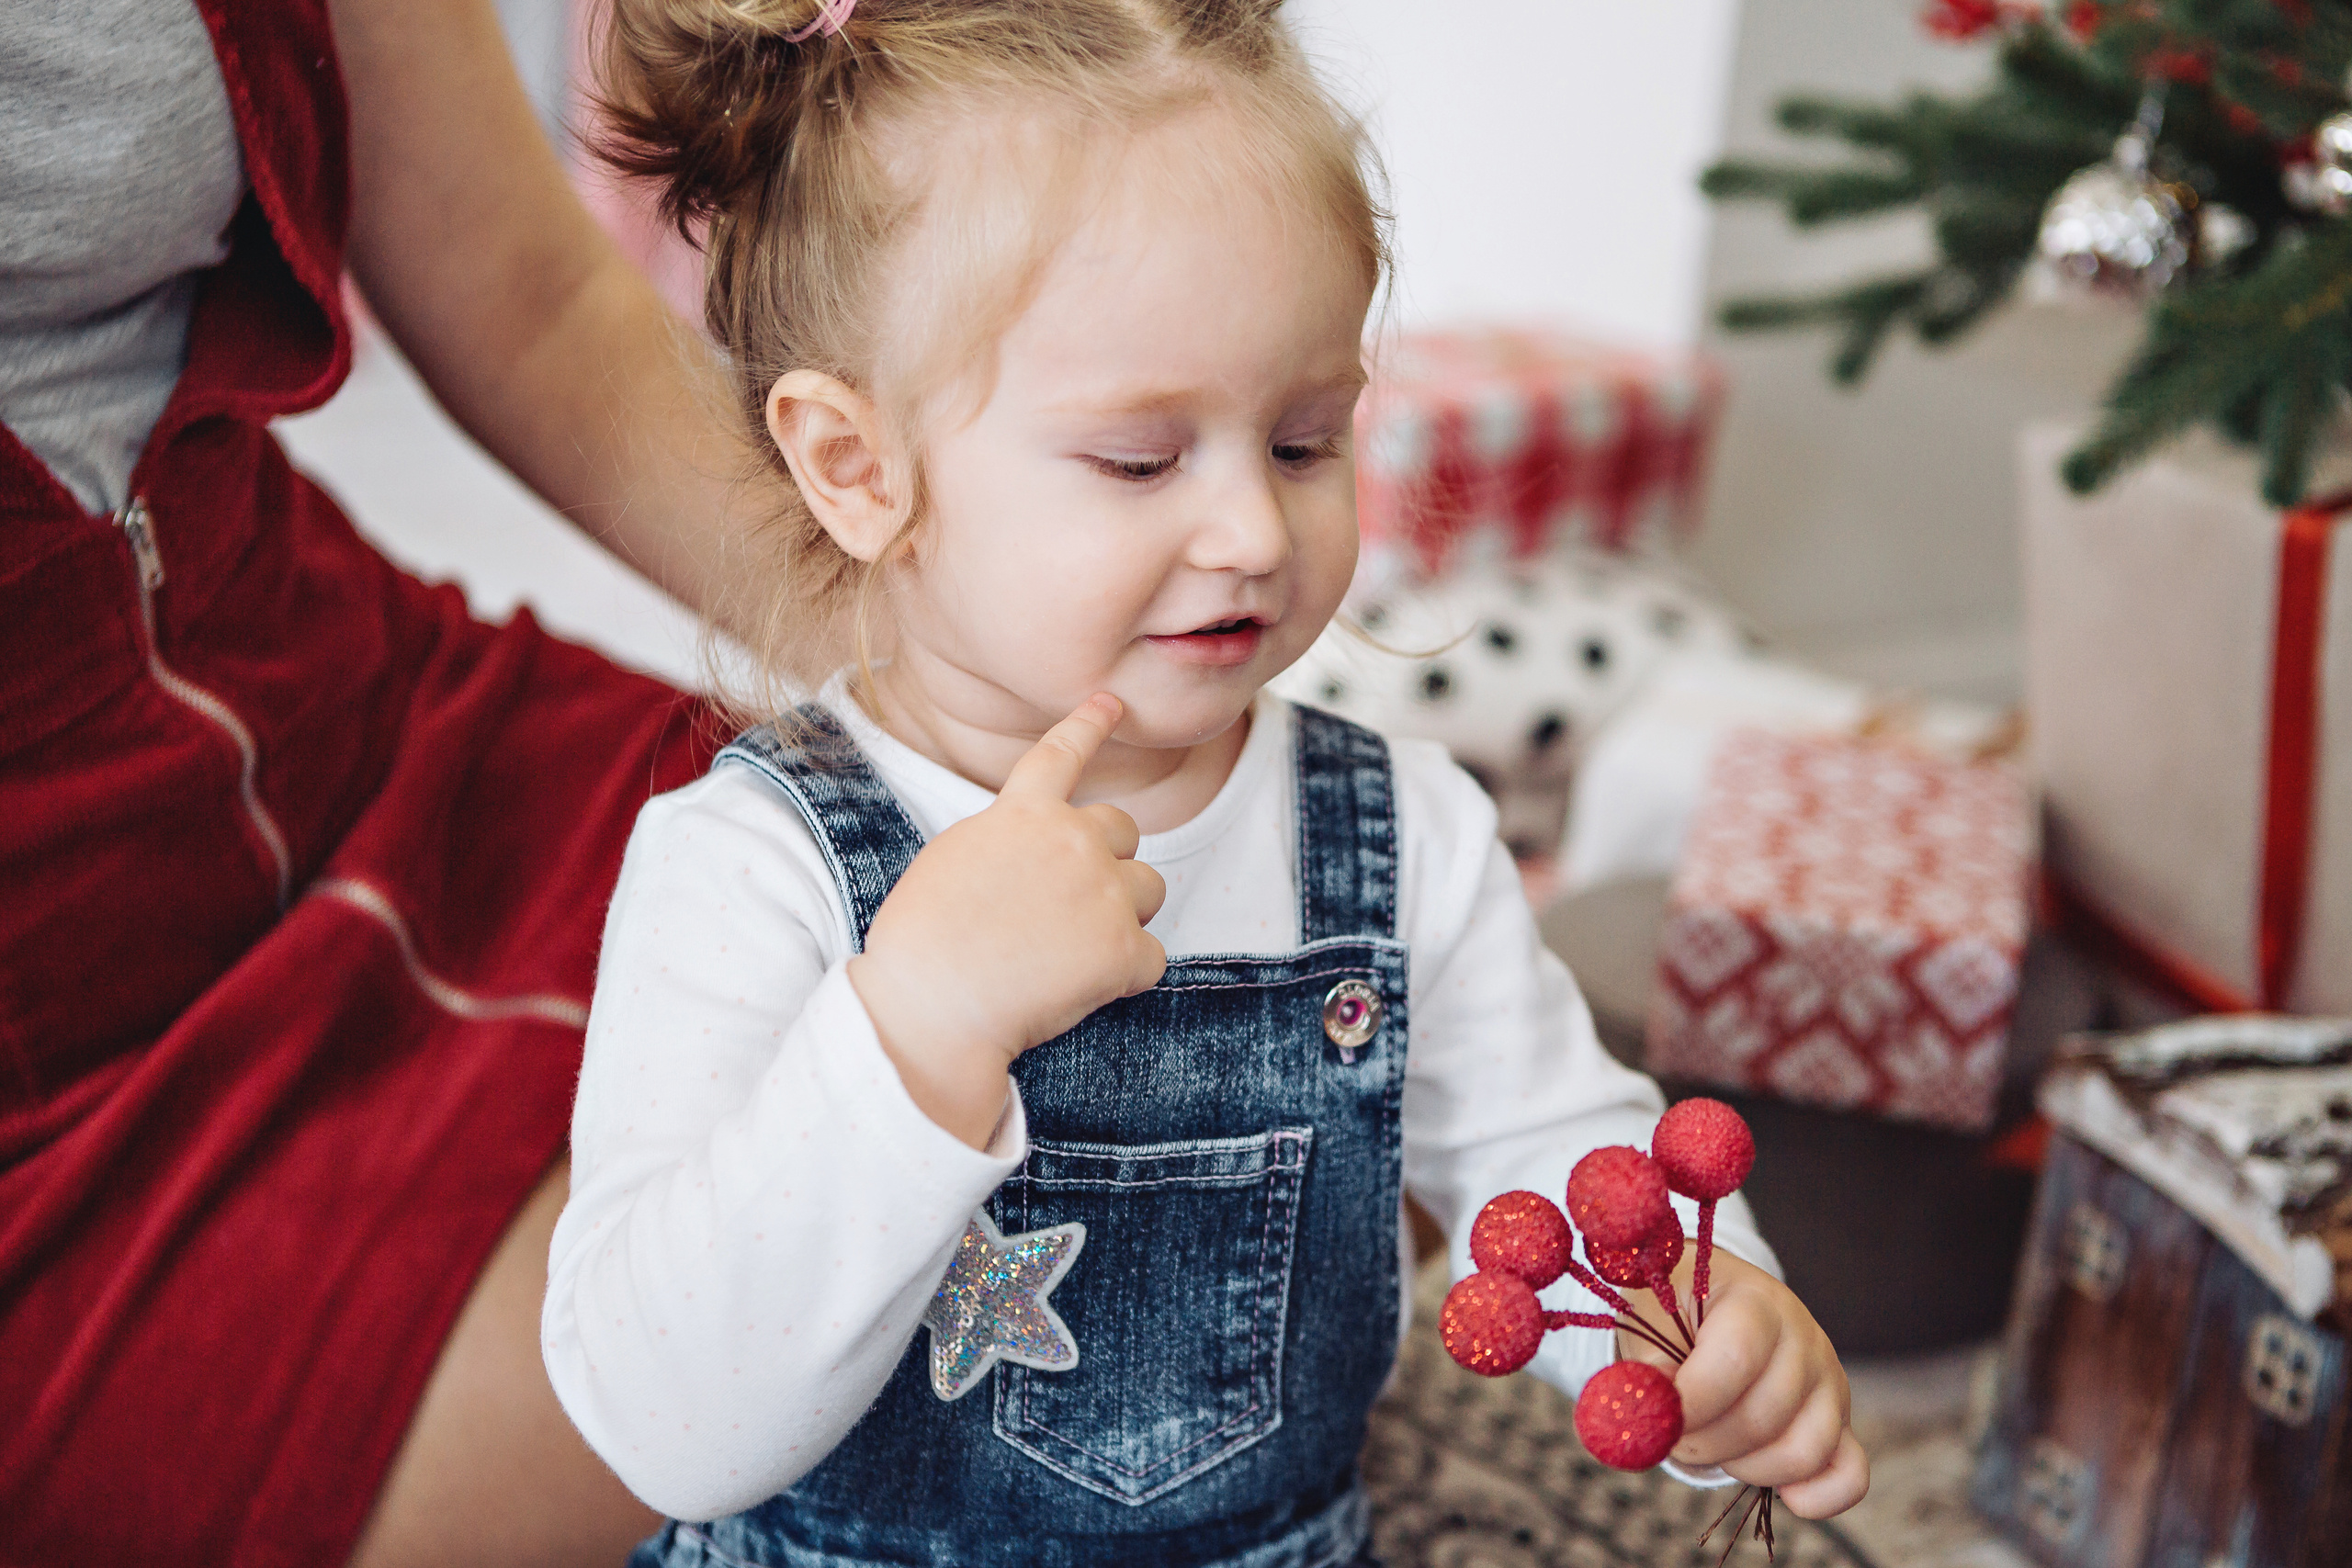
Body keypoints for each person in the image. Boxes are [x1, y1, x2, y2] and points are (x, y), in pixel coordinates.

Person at [539, 2, 1872, 1564]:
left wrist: (1701, 1327)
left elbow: (1548, 1159)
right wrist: (916, 1027)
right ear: (858, 467)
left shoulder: (1399, 838)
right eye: (1139, 461)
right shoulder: (746, 866)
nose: (1249, 529)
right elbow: (661, 1421)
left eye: (1304, 442)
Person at [0, 1, 775, 1562]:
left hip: (349, 708)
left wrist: (951, 628)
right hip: (48, 1067)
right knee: (840, 1312)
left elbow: (535, 294)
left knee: (1171, 1070)